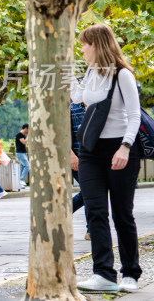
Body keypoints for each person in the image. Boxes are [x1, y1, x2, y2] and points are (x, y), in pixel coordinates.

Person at [71, 24, 141, 293]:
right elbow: (78, 98)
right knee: (95, 211)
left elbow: (134, 115)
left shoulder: (122, 74)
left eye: (84, 45)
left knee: (122, 214)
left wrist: (125, 147)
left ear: (97, 45)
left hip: (120, 148)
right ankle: (103, 273)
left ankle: (131, 274)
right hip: (90, 150)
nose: (82, 49)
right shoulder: (90, 72)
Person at [69, 101, 90, 240]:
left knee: (90, 192)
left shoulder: (97, 104)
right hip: (77, 155)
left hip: (95, 155)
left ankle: (91, 230)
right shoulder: (72, 108)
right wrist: (71, 155)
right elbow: (62, 134)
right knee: (89, 192)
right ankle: (91, 230)